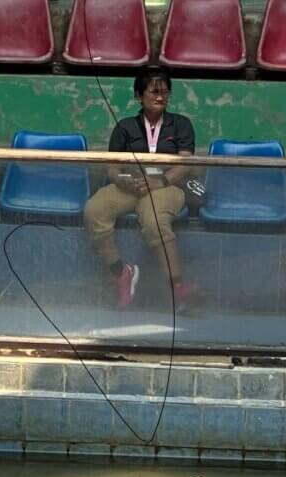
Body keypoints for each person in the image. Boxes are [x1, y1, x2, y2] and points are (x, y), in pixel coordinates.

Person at [82, 67, 199, 311]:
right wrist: (122, 180)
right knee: (95, 211)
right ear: (138, 95)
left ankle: (177, 287)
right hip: (130, 185)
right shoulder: (124, 127)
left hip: (166, 186)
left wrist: (161, 181)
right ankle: (121, 274)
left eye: (165, 92)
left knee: (155, 220)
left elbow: (184, 164)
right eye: (154, 91)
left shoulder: (181, 125)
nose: (160, 97)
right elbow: (112, 168)